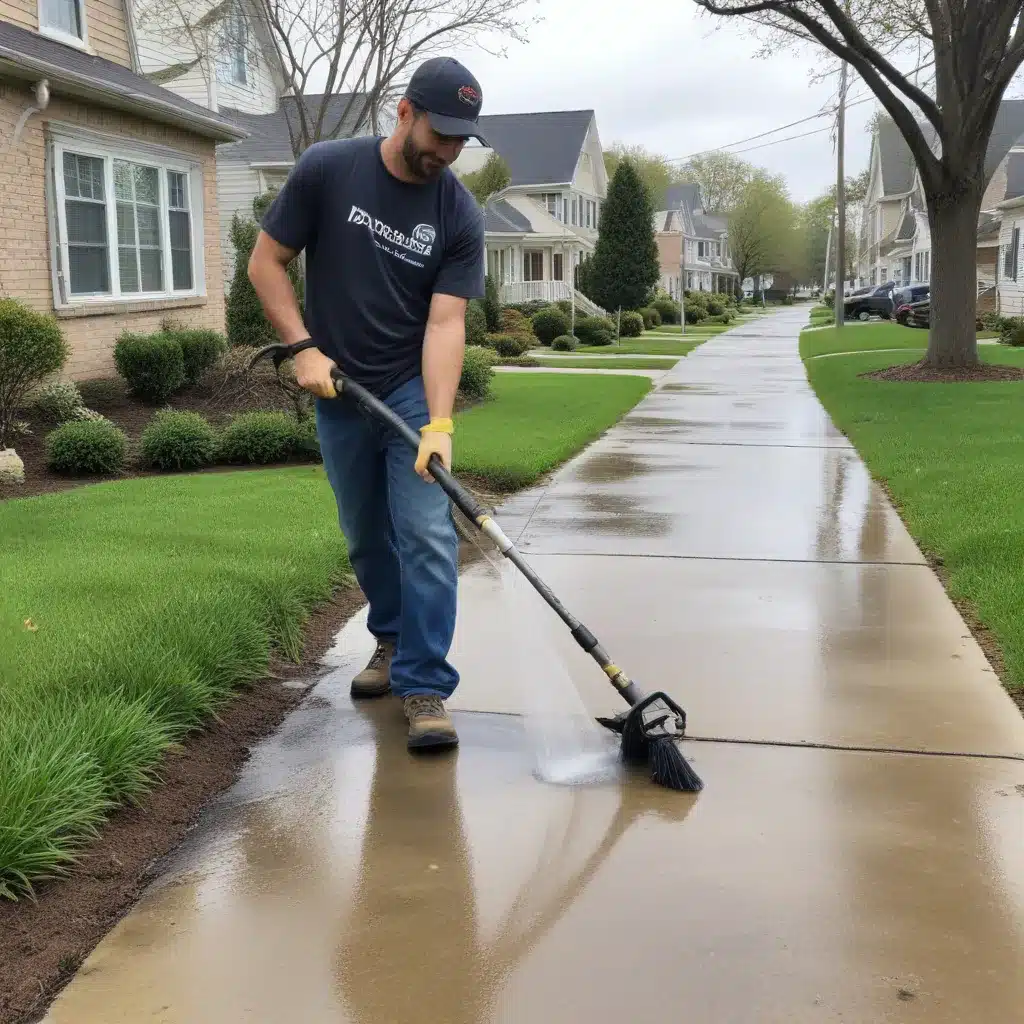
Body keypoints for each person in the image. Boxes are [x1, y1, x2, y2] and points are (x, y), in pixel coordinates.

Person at [247, 56, 488, 751]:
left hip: (408, 389)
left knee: (428, 535)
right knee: (364, 534)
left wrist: (439, 422)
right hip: (336, 386)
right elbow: (266, 262)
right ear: (405, 112)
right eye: (441, 133)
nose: (448, 151)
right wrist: (301, 346)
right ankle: (389, 637)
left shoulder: (457, 212)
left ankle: (425, 683)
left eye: (461, 140)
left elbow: (446, 324)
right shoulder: (329, 169)